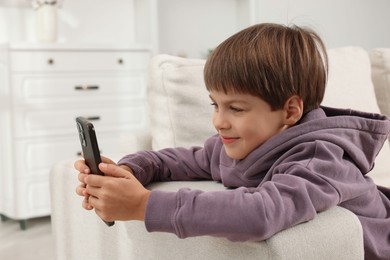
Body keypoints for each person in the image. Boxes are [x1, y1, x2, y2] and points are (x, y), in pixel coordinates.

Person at [75, 23, 390, 259]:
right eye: (215, 104)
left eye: (236, 108)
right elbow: (174, 161)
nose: (219, 121)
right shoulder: (238, 146)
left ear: (290, 111)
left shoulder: (321, 161)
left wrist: (144, 205)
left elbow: (261, 213)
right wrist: (129, 171)